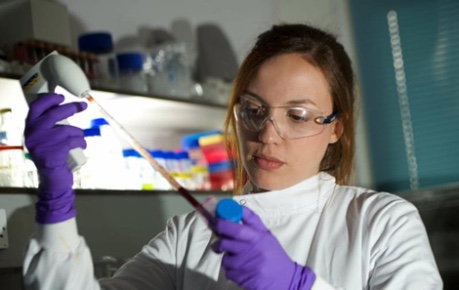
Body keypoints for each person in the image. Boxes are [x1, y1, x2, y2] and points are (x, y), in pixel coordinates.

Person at [22, 23, 442, 289]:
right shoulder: (190, 234)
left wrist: (297, 285)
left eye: (297, 116)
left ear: (336, 127)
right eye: (254, 111)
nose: (267, 135)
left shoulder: (382, 223)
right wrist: (55, 203)